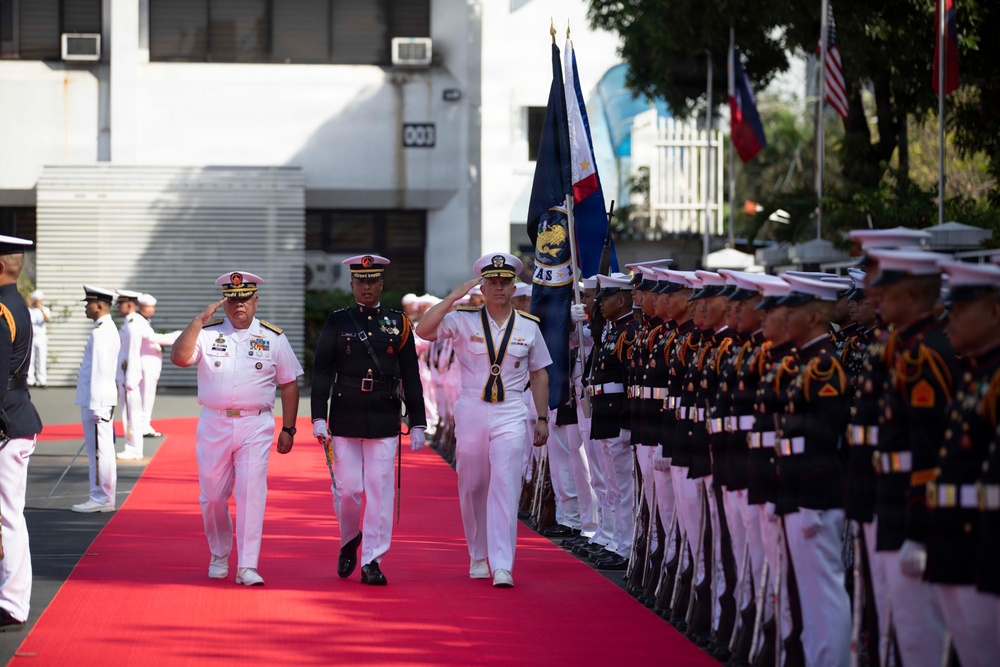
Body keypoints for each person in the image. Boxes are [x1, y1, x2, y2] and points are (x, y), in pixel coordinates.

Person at [418, 253, 551, 588]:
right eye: (492, 282)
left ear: (512, 287)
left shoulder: (528, 326)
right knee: (474, 483)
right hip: (473, 407)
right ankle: (478, 555)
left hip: (510, 410)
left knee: (506, 486)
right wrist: (453, 296)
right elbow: (423, 329)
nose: (498, 288)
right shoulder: (462, 319)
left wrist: (542, 418)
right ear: (483, 285)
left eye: (504, 282)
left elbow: (539, 373)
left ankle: (503, 563)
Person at [170, 271, 302, 587]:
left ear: (255, 301)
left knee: (251, 492)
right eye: (232, 299)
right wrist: (197, 321)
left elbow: (289, 383)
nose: (238, 305)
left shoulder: (273, 337)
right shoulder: (207, 332)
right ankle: (219, 554)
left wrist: (289, 428)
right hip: (214, 422)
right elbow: (179, 358)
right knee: (213, 495)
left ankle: (247, 565)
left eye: (244, 299)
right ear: (225, 302)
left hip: (255, 423)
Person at [310, 255, 427, 587]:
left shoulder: (398, 323)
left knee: (379, 491)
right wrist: (318, 415)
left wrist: (418, 420)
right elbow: (321, 373)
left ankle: (373, 559)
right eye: (359, 282)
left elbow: (411, 375)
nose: (365, 287)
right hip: (344, 415)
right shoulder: (338, 322)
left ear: (380, 284)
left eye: (371, 281)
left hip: (383, 414)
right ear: (351, 286)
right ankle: (350, 538)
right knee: (347, 490)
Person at [0, 235, 44, 632]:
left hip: (6, 424)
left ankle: (12, 603)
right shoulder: (17, 304)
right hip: (15, 418)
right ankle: (11, 597)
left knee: (8, 515)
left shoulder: (2, 309)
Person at [136, 294, 179, 438]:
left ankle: (143, 425)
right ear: (141, 307)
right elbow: (152, 338)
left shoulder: (143, 321)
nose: (152, 310)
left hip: (149, 364)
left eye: (153, 307)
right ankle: (143, 426)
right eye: (149, 307)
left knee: (147, 396)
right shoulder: (138, 321)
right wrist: (176, 336)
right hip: (146, 364)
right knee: (145, 396)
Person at [114, 289, 145, 460]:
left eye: (121, 304)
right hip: (124, 375)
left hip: (129, 376)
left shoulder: (133, 325)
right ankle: (131, 446)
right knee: (128, 413)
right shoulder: (128, 322)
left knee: (132, 414)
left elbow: (133, 353)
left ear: (130, 305)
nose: (118, 307)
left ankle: (134, 448)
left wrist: (130, 379)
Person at [26, 290, 50, 388]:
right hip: (31, 337)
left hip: (41, 338)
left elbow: (47, 319)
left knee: (41, 359)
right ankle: (30, 380)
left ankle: (42, 380)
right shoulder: (29, 310)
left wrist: (40, 308)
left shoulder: (44, 309)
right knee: (30, 359)